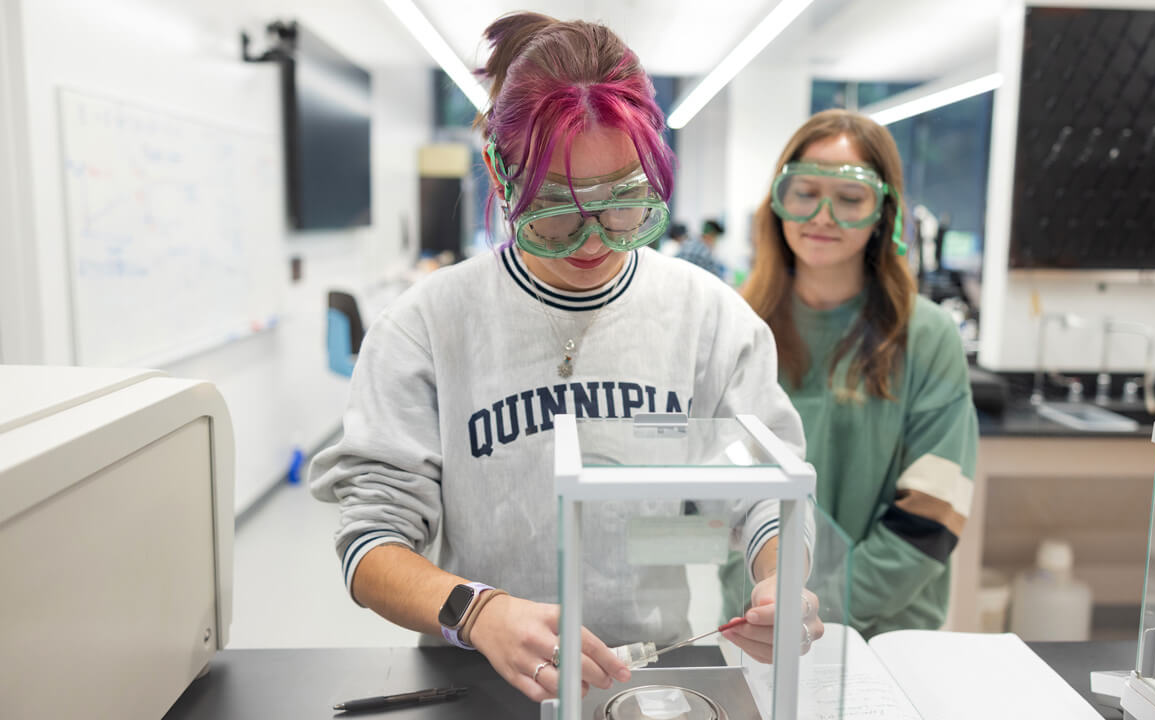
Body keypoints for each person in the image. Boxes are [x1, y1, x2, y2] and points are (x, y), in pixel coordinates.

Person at [310, 12, 820, 704]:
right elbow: (371, 544)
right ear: (498, 169)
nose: (592, 240)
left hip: (655, 678)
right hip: (479, 680)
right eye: (555, 208)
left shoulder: (710, 317)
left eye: (623, 204)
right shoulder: (427, 324)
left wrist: (779, 583)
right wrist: (478, 611)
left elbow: (765, 492)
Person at [727, 109, 978, 637]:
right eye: (804, 192)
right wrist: (769, 608)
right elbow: (709, 493)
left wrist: (822, 610)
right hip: (753, 628)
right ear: (777, 201)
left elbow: (932, 515)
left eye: (849, 198)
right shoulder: (737, 326)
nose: (822, 215)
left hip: (884, 635)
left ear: (882, 212)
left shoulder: (925, 336)